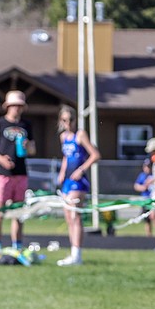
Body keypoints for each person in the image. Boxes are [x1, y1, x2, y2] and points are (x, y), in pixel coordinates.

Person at [0, 90, 34, 265]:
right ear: (8, 106)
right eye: (15, 105)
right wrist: (1, 160)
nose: (17, 109)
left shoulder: (27, 125)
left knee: (18, 212)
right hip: (2, 174)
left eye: (20, 106)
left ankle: (17, 245)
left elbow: (33, 150)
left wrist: (28, 147)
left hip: (21, 173)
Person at [55, 105, 100, 266]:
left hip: (78, 181)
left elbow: (95, 155)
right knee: (68, 217)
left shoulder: (80, 135)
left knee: (75, 216)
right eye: (65, 120)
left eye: (71, 120)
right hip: (67, 181)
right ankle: (73, 252)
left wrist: (81, 169)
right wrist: (61, 172)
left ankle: (77, 254)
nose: (68, 123)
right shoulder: (63, 137)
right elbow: (66, 157)